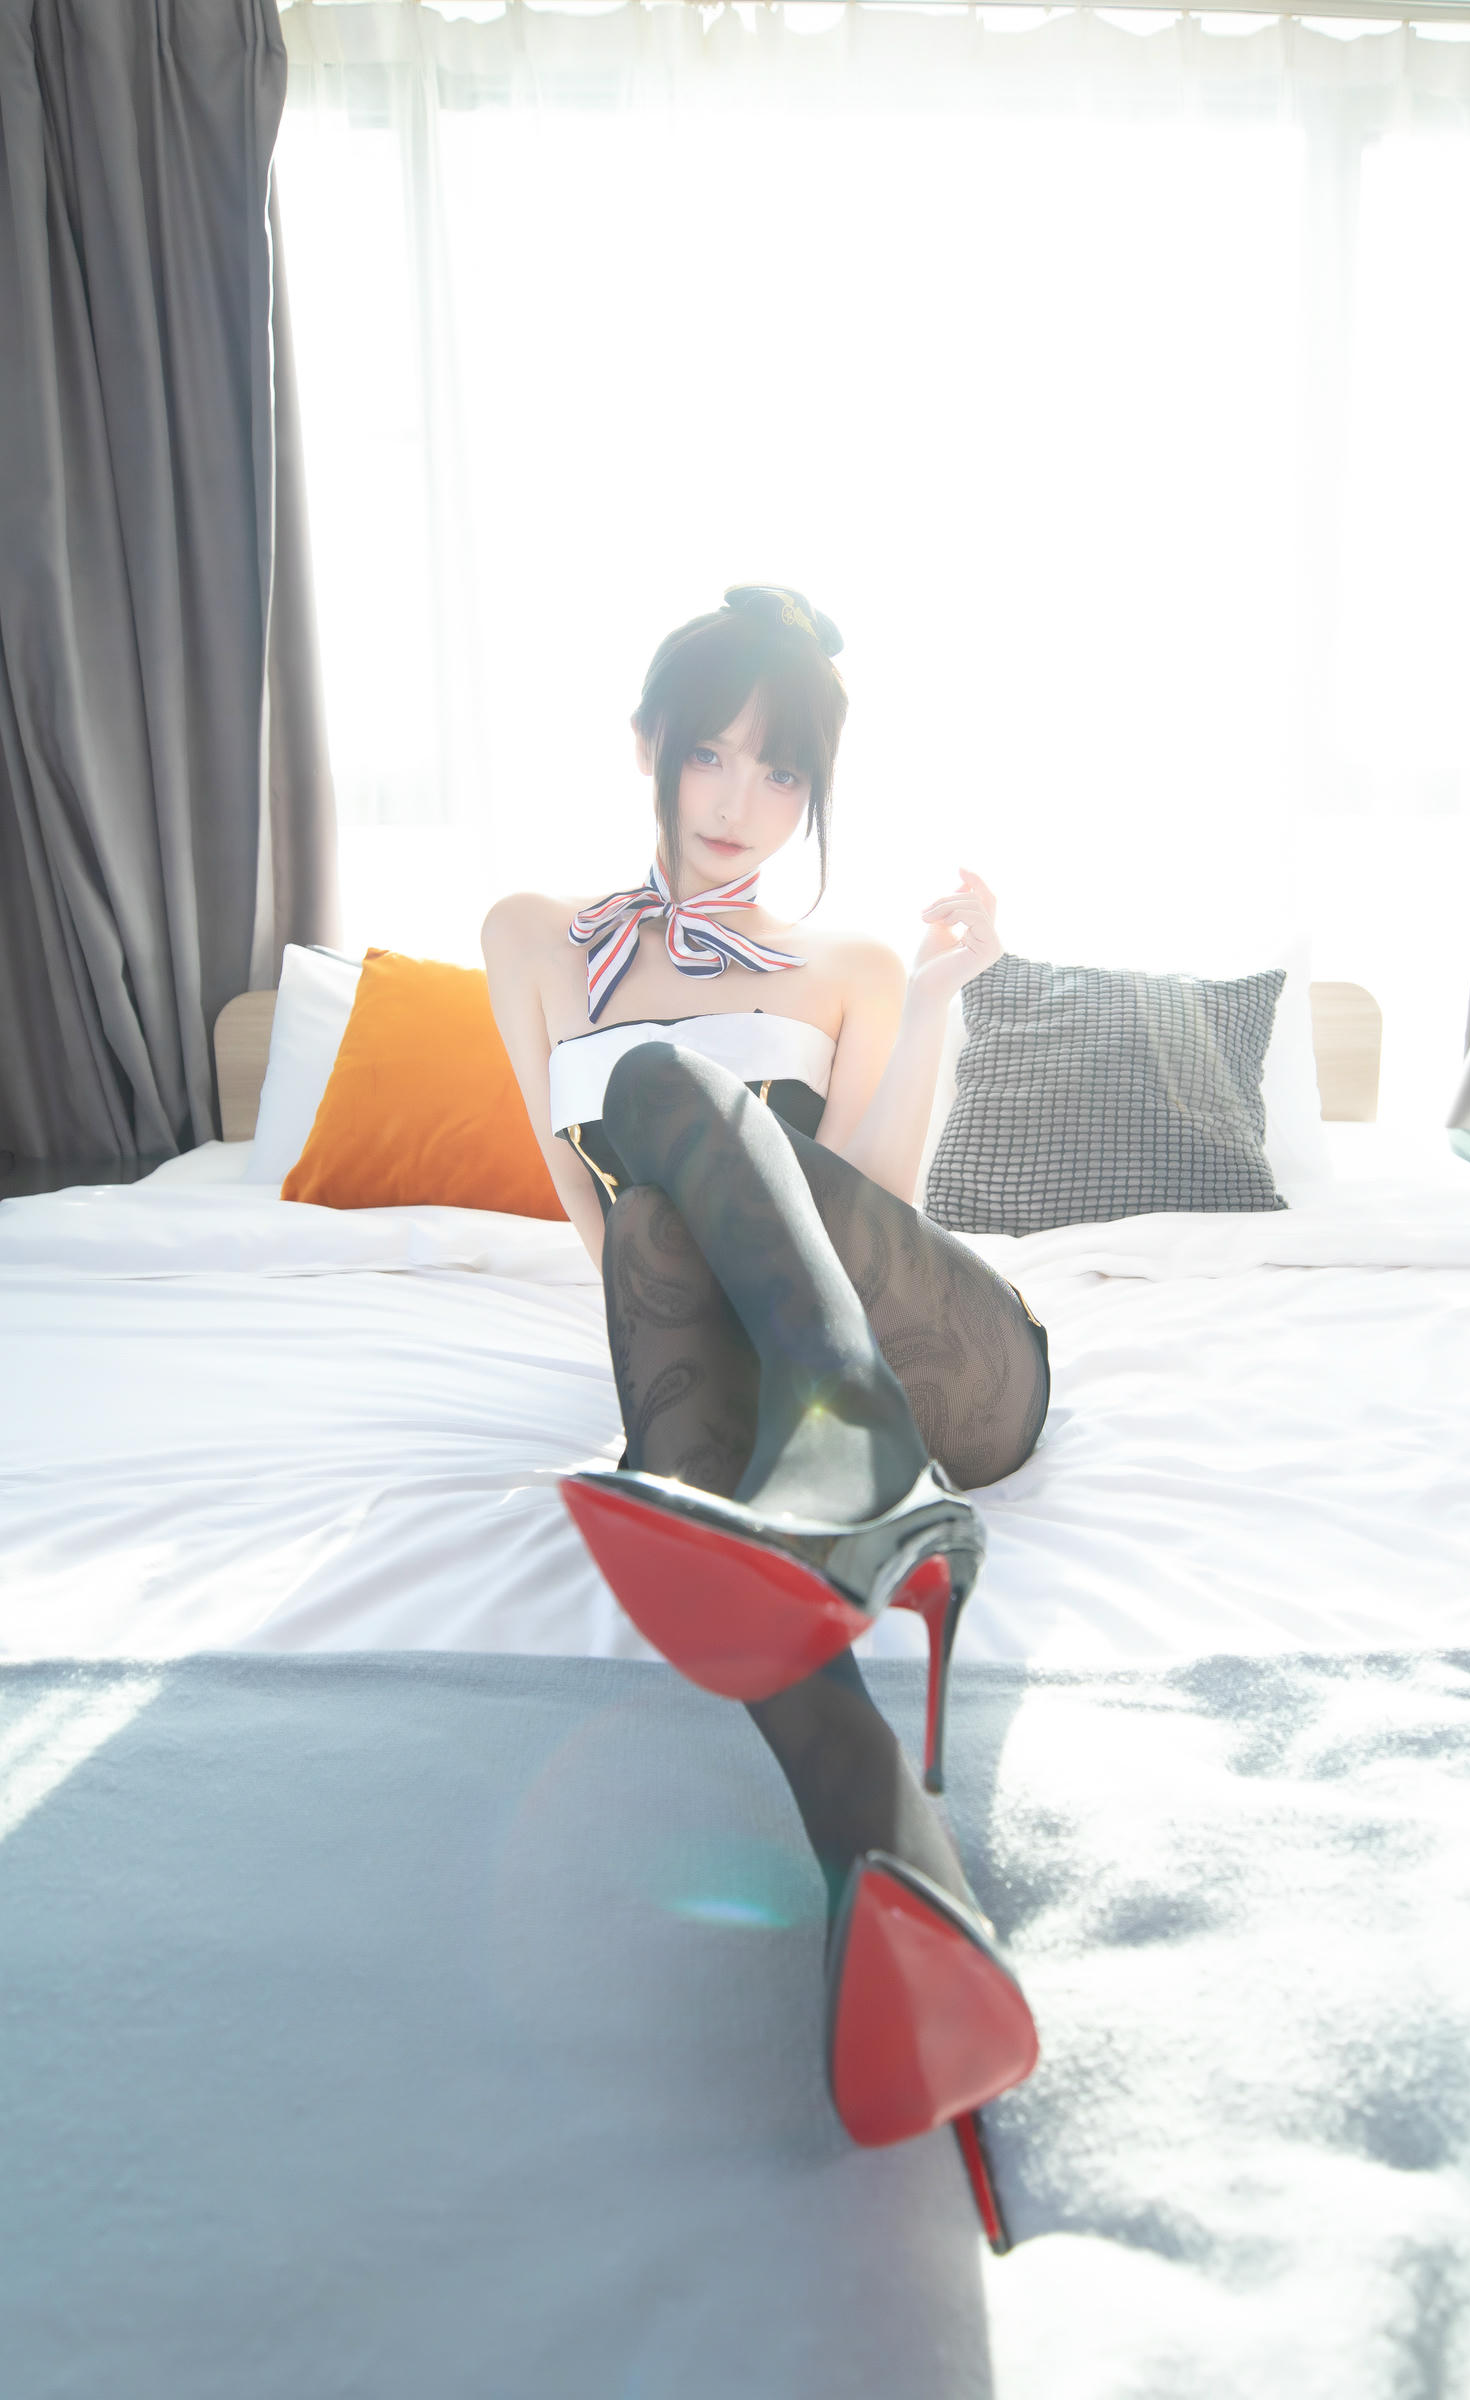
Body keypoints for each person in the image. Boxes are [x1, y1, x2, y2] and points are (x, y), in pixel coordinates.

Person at [482, 584, 1049, 2242]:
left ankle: (852, 1430)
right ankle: (896, 1875)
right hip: (740, 1397)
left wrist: (934, 998)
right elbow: (590, 1220)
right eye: (712, 754)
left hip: (944, 1357)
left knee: (661, 1088)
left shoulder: (851, 963)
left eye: (781, 771)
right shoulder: (533, 937)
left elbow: (880, 1208)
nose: (740, 802)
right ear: (647, 747)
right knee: (653, 1215)